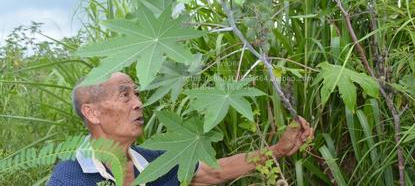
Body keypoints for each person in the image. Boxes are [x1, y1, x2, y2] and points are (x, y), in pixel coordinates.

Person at [48, 72, 314, 186]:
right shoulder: (68, 178)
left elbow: (212, 171)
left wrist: (277, 150)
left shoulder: (155, 164)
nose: (139, 103)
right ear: (91, 112)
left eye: (137, 94)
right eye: (125, 95)